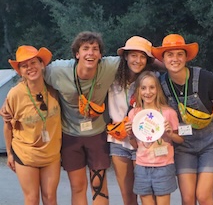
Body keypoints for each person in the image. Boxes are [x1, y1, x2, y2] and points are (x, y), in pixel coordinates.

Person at [44, 31, 120, 205]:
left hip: (97, 134)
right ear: (77, 54)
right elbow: (31, 75)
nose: (90, 53)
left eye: (95, 49)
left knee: (98, 185)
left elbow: (139, 59)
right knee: (78, 186)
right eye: (85, 48)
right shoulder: (57, 71)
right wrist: (11, 102)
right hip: (70, 135)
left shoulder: (109, 66)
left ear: (101, 54)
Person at [151, 34, 213, 205]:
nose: (175, 59)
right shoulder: (160, 85)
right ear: (163, 59)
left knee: (204, 196)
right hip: (183, 145)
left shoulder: (205, 78)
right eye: (170, 55)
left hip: (210, 143)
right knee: (188, 198)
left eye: (179, 54)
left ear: (186, 57)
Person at [4, 45, 61, 205]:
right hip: (26, 154)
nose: (30, 68)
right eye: (24, 65)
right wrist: (9, 153)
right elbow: (8, 124)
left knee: (50, 197)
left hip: (51, 154)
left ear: (42, 64)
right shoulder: (15, 94)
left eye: (33, 62)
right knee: (32, 199)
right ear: (20, 71)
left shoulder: (54, 88)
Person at [107, 36, 155, 205]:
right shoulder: (112, 77)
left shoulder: (150, 80)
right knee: (127, 196)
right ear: (125, 56)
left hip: (143, 141)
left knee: (146, 193)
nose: (138, 60)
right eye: (133, 55)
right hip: (118, 140)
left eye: (142, 57)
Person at [125, 71, 184, 205]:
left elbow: (180, 139)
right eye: (143, 88)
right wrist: (130, 134)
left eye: (152, 87)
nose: (148, 92)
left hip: (163, 166)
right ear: (138, 91)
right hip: (141, 166)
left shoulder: (169, 112)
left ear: (158, 90)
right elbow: (135, 145)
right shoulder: (134, 114)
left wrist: (170, 134)